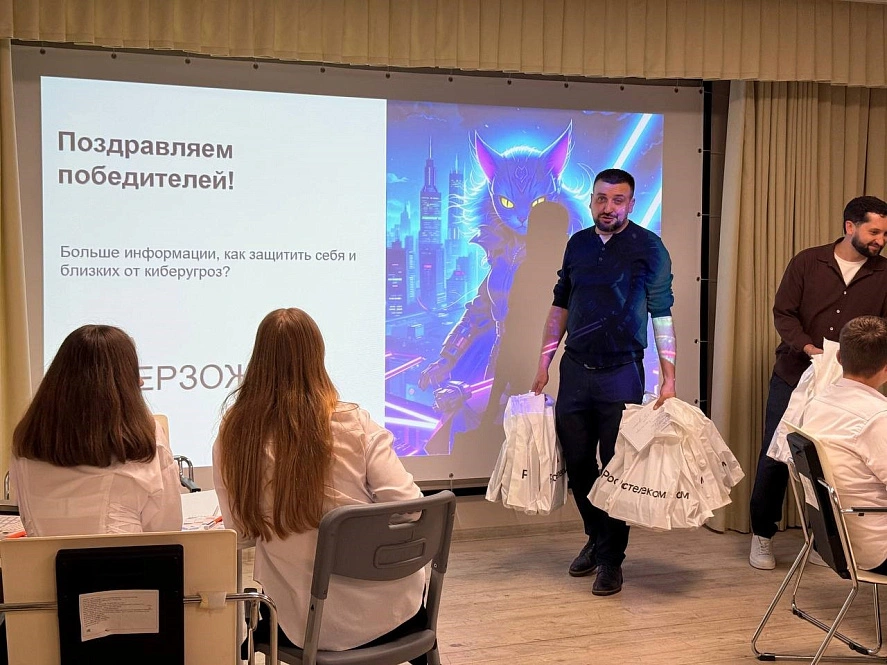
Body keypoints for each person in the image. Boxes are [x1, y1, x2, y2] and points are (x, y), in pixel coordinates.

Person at [212, 308, 427, 660]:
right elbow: (412, 508)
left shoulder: (234, 434)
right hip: (393, 614)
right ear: (318, 356)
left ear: (257, 360)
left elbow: (241, 533)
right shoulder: (355, 424)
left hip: (300, 624)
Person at [531, 168, 676, 596]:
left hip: (622, 373)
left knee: (617, 469)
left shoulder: (649, 247)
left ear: (631, 203)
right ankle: (596, 537)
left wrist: (669, 377)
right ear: (592, 200)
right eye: (601, 199)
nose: (608, 207)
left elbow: (661, 313)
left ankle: (612, 560)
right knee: (578, 464)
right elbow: (560, 306)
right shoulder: (577, 244)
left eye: (617, 200)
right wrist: (544, 362)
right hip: (575, 370)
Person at [749, 196, 887, 570]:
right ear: (850, 226)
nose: (880, 240)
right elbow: (784, 313)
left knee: (833, 464)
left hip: (850, 384)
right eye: (874, 231)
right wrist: (809, 348)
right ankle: (762, 534)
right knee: (777, 453)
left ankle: (824, 540)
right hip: (794, 373)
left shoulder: (884, 273)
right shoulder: (808, 262)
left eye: (884, 234)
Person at [10, 324, 183, 536]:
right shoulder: (148, 437)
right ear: (125, 383)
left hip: (42, 558)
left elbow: (24, 512)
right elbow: (166, 529)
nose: (141, 380)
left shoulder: (26, 438)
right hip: (128, 556)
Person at [796, 316, 887, 573]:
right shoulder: (877, 418)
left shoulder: (817, 403)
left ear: (838, 357)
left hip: (838, 539)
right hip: (876, 549)